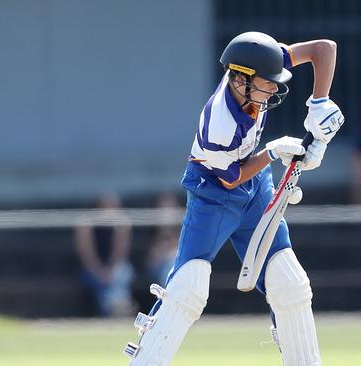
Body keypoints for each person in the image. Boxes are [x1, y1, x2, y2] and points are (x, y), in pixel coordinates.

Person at [124, 31, 344, 366]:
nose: (273, 88)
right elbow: (231, 178)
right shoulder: (219, 123)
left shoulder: (260, 66)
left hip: (254, 186)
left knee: (290, 283)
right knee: (188, 288)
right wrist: (272, 152)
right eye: (267, 83)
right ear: (241, 80)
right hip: (214, 192)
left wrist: (319, 103)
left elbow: (322, 49)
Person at [74, 194, 135, 317]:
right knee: (103, 283)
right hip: (92, 270)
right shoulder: (86, 224)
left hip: (116, 269)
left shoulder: (121, 224)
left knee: (121, 274)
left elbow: (121, 254)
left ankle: (115, 307)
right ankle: (117, 308)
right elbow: (86, 254)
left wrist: (110, 270)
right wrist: (99, 272)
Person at [145, 192, 180, 286]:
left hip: (174, 266)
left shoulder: (182, 223)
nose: (167, 212)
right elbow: (151, 260)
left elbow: (180, 249)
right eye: (163, 206)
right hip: (158, 267)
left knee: (172, 260)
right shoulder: (153, 227)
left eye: (169, 207)